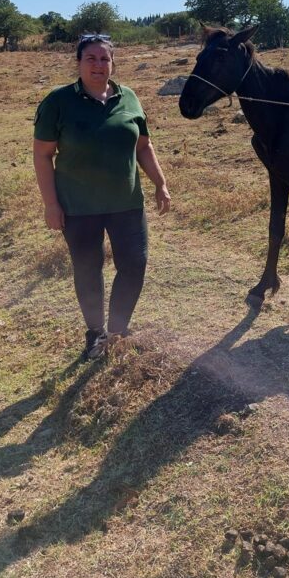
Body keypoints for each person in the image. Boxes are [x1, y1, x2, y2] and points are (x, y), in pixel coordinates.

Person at [33, 34, 171, 361]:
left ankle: (117, 332)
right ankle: (95, 333)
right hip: (78, 207)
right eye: (91, 58)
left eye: (104, 58)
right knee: (88, 269)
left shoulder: (129, 98)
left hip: (126, 203)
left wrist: (160, 183)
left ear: (113, 63)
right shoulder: (58, 102)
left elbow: (143, 146)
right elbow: (43, 155)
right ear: (78, 63)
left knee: (134, 265)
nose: (98, 65)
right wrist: (51, 204)